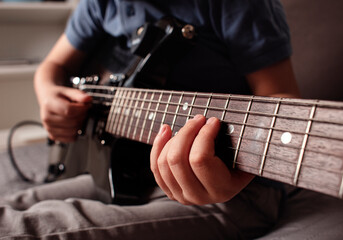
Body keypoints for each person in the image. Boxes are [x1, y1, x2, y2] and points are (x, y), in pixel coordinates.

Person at [0, 0, 299, 239]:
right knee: (13, 206)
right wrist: (48, 93)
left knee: (27, 229)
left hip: (227, 190)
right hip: (124, 165)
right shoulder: (99, 4)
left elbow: (282, 102)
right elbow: (52, 65)